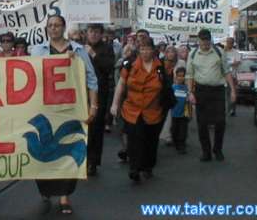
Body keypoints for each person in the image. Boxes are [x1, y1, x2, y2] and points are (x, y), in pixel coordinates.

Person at [30, 15, 98, 215]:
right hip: (45, 108)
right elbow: (29, 77)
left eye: (57, 25)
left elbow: (92, 80)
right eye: (50, 25)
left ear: (63, 27)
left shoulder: (78, 51)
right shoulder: (37, 50)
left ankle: (65, 196)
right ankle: (45, 190)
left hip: (71, 108)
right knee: (42, 150)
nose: (53, 29)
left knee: (70, 148)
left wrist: (93, 106)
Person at [111, 37, 166, 182]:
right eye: (142, 49)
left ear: (153, 51)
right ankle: (134, 168)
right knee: (134, 139)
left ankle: (147, 166)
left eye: (148, 49)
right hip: (132, 109)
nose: (145, 52)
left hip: (153, 110)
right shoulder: (130, 65)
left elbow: (166, 89)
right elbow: (121, 84)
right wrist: (115, 104)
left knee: (150, 141)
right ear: (138, 51)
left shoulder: (160, 67)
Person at [186, 29, 236, 162]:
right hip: (201, 90)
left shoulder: (219, 52)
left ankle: (217, 149)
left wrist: (233, 90)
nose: (205, 43)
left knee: (220, 121)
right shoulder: (193, 54)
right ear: (199, 40)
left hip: (218, 90)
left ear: (210, 39)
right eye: (203, 40)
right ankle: (206, 151)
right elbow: (189, 75)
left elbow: (226, 72)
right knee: (202, 123)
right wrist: (190, 92)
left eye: (207, 40)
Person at [85, 23, 115, 176]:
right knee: (83, 127)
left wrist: (93, 55)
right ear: (87, 33)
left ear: (101, 34)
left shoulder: (107, 48)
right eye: (91, 32)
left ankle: (93, 161)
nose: (94, 35)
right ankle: (82, 158)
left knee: (96, 127)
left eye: (97, 32)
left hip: (99, 92)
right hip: (82, 92)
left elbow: (108, 67)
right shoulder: (79, 47)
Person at [159, 45, 178, 145]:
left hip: (175, 91)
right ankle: (166, 135)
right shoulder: (160, 62)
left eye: (173, 52)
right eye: (169, 52)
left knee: (174, 114)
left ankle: (172, 135)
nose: (171, 54)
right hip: (164, 91)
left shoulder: (179, 63)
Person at [171, 67, 191, 154]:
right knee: (174, 130)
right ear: (176, 76)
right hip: (174, 114)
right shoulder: (173, 87)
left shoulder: (187, 88)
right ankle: (176, 143)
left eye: (182, 76)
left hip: (184, 114)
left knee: (183, 131)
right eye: (179, 76)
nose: (180, 78)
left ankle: (181, 145)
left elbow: (190, 100)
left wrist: (190, 112)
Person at [223, 37, 240, 117]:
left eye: (230, 43)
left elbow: (237, 62)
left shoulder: (236, 52)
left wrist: (228, 64)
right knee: (225, 94)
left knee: (232, 93)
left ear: (233, 44)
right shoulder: (223, 52)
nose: (228, 44)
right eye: (227, 42)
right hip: (223, 77)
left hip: (232, 76)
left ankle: (232, 109)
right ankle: (226, 109)